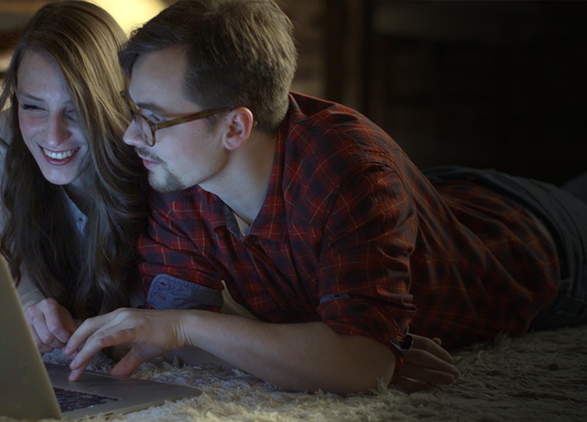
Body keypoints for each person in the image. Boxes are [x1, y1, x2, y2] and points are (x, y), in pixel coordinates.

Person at [62, 0, 587, 395]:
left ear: (235, 127)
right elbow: (179, 342)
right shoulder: (179, 173)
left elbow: (361, 365)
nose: (132, 137)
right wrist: (319, 352)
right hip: (446, 195)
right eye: (134, 112)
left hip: (540, 243)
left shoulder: (346, 169)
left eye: (152, 118)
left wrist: (187, 325)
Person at [0, 0, 147, 353]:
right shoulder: (8, 138)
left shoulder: (150, 158)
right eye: (33, 106)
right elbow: (19, 257)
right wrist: (33, 309)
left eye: (76, 110)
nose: (53, 136)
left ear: (112, 106)